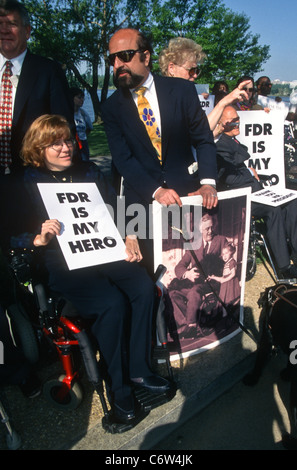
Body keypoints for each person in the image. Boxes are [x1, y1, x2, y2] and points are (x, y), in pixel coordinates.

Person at [21, 114, 172, 425]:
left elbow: (114, 209)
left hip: (104, 249)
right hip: (62, 261)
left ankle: (140, 370)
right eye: (55, 143)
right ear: (38, 148)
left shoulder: (89, 170)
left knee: (144, 288)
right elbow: (11, 230)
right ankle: (119, 387)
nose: (65, 147)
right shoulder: (26, 182)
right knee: (111, 303)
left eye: (67, 140)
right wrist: (36, 237)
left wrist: (129, 232)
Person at [101, 29, 218, 273]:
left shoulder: (182, 91)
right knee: (152, 275)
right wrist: (156, 191)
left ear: (146, 56)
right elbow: (124, 160)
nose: (117, 64)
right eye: (112, 59)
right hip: (141, 204)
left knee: (190, 272)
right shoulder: (112, 108)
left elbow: (204, 140)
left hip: (189, 197)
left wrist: (208, 182)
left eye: (124, 55)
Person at [216, 105, 297, 279]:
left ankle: (295, 252)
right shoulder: (221, 145)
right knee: (273, 210)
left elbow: (240, 169)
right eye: (232, 121)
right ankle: (283, 266)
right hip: (240, 198)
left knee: (292, 202)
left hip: (255, 191)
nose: (237, 123)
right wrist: (252, 176)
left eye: (238, 119)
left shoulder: (234, 141)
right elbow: (229, 179)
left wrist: (250, 172)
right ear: (221, 124)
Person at [0, 0, 74, 174]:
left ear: (27, 31)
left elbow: (64, 126)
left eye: (11, 24)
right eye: (0, 24)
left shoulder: (48, 71)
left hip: (33, 174)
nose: (4, 30)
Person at [158, 37, 250, 139]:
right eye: (191, 70)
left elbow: (202, 129)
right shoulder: (158, 98)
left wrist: (224, 103)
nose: (195, 75)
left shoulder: (188, 98)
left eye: (197, 71)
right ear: (172, 68)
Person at [167, 213, 227, 337]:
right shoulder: (194, 244)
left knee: (194, 291)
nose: (211, 231)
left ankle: (192, 325)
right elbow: (179, 267)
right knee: (173, 294)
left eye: (211, 227)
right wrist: (187, 274)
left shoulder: (221, 240)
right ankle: (187, 324)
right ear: (200, 230)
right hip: (194, 282)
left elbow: (226, 261)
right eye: (207, 229)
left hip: (211, 282)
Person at [71, 87, 93, 161]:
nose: (82, 100)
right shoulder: (67, 113)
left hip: (83, 144)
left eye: (83, 98)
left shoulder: (83, 113)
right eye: (79, 97)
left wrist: (83, 136)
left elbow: (90, 128)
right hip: (72, 144)